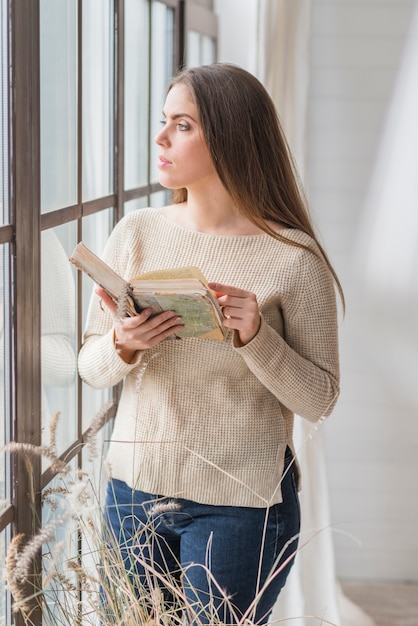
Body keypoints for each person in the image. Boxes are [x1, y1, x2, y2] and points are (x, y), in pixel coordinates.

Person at [78, 63, 342, 625]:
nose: (160, 139)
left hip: (241, 507)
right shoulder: (137, 232)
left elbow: (320, 398)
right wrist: (123, 345)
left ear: (229, 135)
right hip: (132, 495)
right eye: (163, 122)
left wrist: (255, 338)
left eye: (182, 125)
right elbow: (90, 367)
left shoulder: (295, 259)